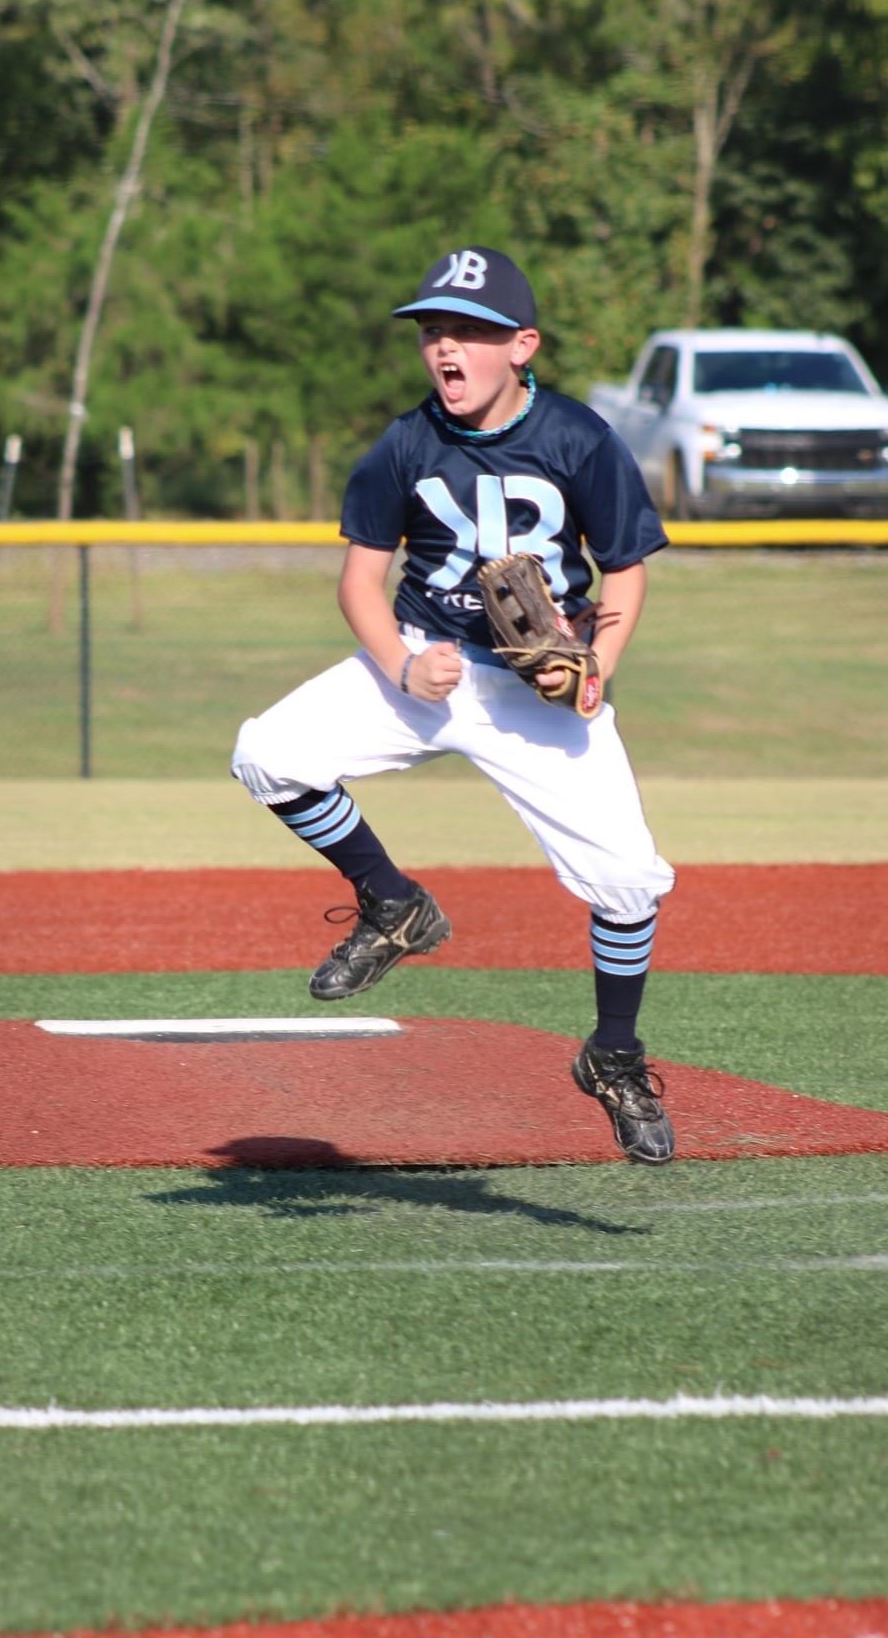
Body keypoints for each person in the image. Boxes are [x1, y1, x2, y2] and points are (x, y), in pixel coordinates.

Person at [231, 246, 676, 1164]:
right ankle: (392, 904)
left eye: (471, 332)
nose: (446, 348)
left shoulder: (579, 438)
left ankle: (614, 1055)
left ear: (522, 346)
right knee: (267, 754)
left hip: (537, 692)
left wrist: (592, 669)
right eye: (434, 330)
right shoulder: (405, 442)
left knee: (630, 885)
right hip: (425, 662)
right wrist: (400, 666)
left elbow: (625, 570)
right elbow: (358, 581)